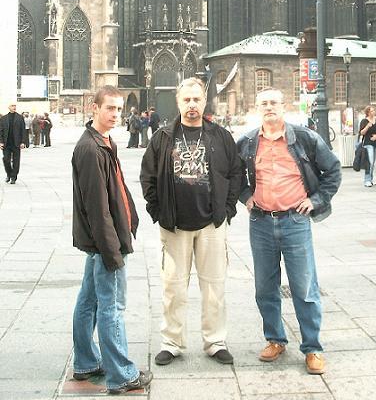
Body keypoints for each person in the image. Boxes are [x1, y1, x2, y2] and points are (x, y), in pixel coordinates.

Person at [237, 88, 341, 375]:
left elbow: (333, 170)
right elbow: (232, 173)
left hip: (295, 221)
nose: (269, 107)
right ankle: (275, 339)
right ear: (257, 108)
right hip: (260, 222)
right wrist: (245, 195)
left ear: (284, 106)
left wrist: (316, 200)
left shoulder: (305, 138)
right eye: (264, 103)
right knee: (264, 287)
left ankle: (312, 348)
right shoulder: (247, 142)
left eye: (274, 102)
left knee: (304, 287)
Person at [140, 77, 242, 366]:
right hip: (175, 225)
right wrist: (157, 211)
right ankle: (172, 343)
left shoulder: (220, 136)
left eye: (197, 99)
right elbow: (147, 176)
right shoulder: (162, 137)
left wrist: (227, 209)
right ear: (178, 102)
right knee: (173, 288)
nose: (192, 104)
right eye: (187, 100)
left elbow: (236, 172)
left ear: (204, 101)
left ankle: (215, 341)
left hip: (211, 224)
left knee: (214, 287)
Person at [72, 86, 152, 395]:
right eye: (110, 108)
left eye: (119, 109)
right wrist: (112, 251)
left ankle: (85, 362)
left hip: (103, 240)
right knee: (112, 307)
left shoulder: (103, 141)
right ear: (94, 107)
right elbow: (97, 208)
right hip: (107, 242)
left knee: (89, 300)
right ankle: (121, 375)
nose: (116, 114)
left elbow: (114, 191)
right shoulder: (91, 149)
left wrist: (131, 217)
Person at [0, 104, 26, 184]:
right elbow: (1, 131)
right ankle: (9, 174)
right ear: (9, 107)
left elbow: (23, 130)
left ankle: (13, 177)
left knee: (16, 161)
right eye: (12, 106)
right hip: (6, 143)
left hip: (16, 143)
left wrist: (23, 142)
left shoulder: (20, 117)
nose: (14, 107)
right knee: (6, 160)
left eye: (15, 106)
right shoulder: (3, 118)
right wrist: (1, 142)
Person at [358, 106, 376, 188]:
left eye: (374, 110)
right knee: (370, 162)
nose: (374, 112)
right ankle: (367, 180)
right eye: (372, 111)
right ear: (368, 112)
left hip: (375, 143)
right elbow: (361, 133)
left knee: (373, 163)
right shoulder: (364, 121)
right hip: (367, 143)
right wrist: (367, 126)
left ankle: (371, 179)